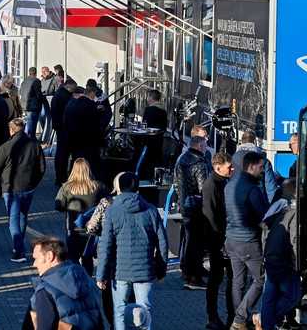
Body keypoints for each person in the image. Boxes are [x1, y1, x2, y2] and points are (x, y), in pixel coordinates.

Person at [96, 172, 168, 330]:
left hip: (120, 271)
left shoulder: (112, 211)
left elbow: (105, 245)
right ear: (138, 188)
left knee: (120, 311)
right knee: (144, 310)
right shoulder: (150, 210)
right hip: (145, 270)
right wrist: (161, 270)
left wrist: (101, 274)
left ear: (119, 188)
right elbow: (162, 242)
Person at [225, 151, 270, 330]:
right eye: (260, 167)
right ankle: (240, 318)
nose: (262, 171)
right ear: (251, 166)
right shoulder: (252, 189)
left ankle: (238, 320)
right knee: (261, 279)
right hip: (249, 241)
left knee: (238, 281)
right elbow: (264, 216)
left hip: (231, 240)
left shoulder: (229, 185)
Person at [25, 236, 106, 330]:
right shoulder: (86, 279)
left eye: (36, 258)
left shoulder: (45, 291)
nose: (34, 264)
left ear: (49, 256)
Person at [0, 118, 45, 262]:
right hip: (28, 187)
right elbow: (42, 168)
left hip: (11, 188)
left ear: (11, 130)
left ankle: (19, 251)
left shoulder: (5, 146)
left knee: (13, 219)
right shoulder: (35, 145)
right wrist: (33, 183)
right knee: (23, 216)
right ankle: (19, 244)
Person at [259, 179, 301, 330]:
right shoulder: (294, 213)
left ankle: (266, 323)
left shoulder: (279, 209)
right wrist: (297, 263)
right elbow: (294, 239)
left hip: (270, 255)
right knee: (293, 295)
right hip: (284, 259)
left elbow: (265, 230)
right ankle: (269, 318)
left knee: (269, 295)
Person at [54, 158, 107, 274]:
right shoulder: (98, 186)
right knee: (87, 258)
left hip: (73, 229)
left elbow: (58, 206)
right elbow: (107, 203)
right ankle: (87, 279)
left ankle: (77, 280)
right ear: (88, 170)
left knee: (72, 258)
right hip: (92, 229)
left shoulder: (67, 187)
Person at [203, 152, 235, 330]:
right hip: (218, 241)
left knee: (231, 279)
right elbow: (210, 215)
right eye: (228, 167)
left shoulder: (223, 182)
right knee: (216, 280)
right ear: (218, 167)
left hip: (224, 239)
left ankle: (231, 315)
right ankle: (213, 316)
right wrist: (218, 240)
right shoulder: (211, 185)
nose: (232, 169)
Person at [174, 135, 210, 290]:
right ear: (200, 146)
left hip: (185, 204)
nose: (206, 148)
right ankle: (194, 277)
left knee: (189, 241)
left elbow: (176, 184)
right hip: (197, 207)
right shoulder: (199, 163)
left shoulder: (182, 160)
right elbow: (204, 188)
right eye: (205, 145)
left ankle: (189, 271)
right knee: (197, 243)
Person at [63, 86, 102, 181]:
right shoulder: (90, 105)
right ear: (91, 93)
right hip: (87, 140)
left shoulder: (71, 104)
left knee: (76, 160)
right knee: (89, 162)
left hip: (73, 137)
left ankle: (74, 179)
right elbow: (96, 124)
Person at [51, 79, 76, 185]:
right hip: (64, 127)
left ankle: (60, 176)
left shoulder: (59, 94)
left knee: (61, 153)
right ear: (69, 86)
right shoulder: (65, 96)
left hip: (59, 126)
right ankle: (62, 176)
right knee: (63, 153)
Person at [19, 67, 44, 139]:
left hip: (24, 106)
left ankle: (27, 140)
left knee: (27, 124)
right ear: (35, 73)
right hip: (33, 106)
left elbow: (20, 92)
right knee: (32, 126)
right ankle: (31, 142)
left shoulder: (24, 81)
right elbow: (38, 94)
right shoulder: (36, 81)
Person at [39, 66, 57, 144]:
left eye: (44, 72)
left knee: (47, 118)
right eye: (42, 72)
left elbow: (56, 90)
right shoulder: (42, 80)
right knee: (41, 117)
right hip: (42, 101)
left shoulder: (54, 79)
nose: (42, 73)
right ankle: (44, 133)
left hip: (50, 101)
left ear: (48, 71)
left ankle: (46, 136)